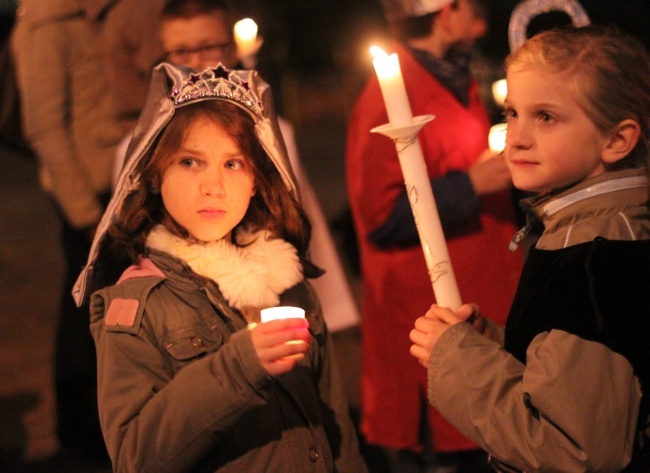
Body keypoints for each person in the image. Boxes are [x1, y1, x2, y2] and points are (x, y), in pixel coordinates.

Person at [72, 62, 368, 472]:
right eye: (190, 162)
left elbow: (336, 426)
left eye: (233, 164)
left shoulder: (288, 285)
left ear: (256, 180)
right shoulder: (137, 306)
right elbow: (135, 455)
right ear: (155, 171)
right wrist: (239, 366)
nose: (214, 186)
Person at [410, 26, 650, 472]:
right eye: (513, 112)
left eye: (545, 117)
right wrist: (493, 349)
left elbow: (572, 449)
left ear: (617, 140)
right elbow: (573, 376)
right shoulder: (579, 233)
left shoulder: (601, 261)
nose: (515, 137)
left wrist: (460, 361)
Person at [345, 0, 524, 470]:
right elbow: (380, 216)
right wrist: (470, 184)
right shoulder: (388, 91)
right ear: (447, 12)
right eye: (472, 5)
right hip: (432, 317)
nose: (483, 17)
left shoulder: (455, 76)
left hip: (481, 307)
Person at [112, 0, 361, 333]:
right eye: (180, 52)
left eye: (207, 48)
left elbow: (299, 221)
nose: (195, 63)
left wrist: (320, 309)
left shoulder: (274, 134)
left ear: (230, 49)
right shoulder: (137, 149)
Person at [11, 0, 122, 462]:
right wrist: (85, 212)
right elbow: (44, 127)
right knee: (82, 311)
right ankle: (79, 433)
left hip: (103, 190)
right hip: (86, 198)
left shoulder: (79, 18)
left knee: (95, 308)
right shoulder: (45, 27)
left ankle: (91, 425)